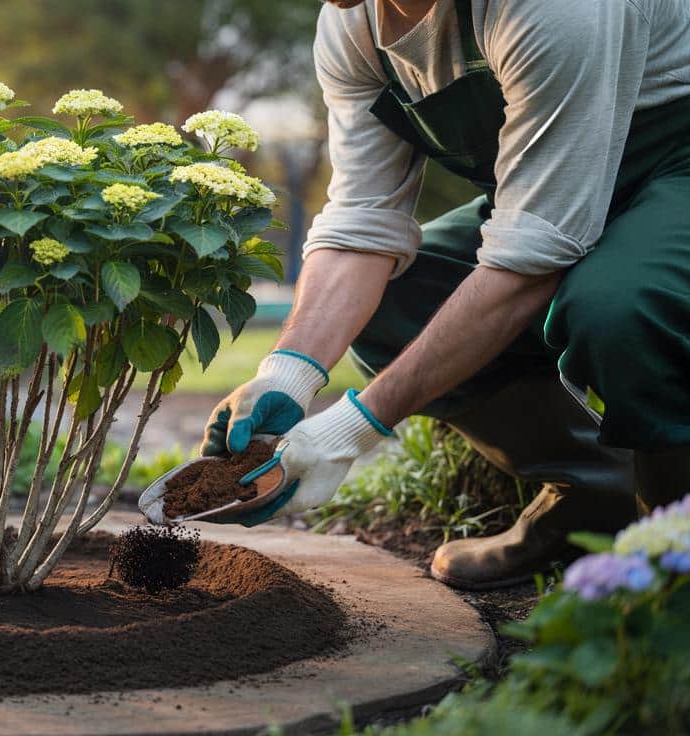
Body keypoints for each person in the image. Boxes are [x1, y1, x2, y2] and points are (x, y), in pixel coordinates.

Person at [192, 0, 690, 590]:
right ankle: (595, 492)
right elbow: (363, 222)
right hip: (549, 195)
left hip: (675, 170)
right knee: (394, 305)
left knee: (619, 309)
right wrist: (288, 373)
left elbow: (531, 257)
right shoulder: (354, 23)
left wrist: (351, 429)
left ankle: (671, 564)